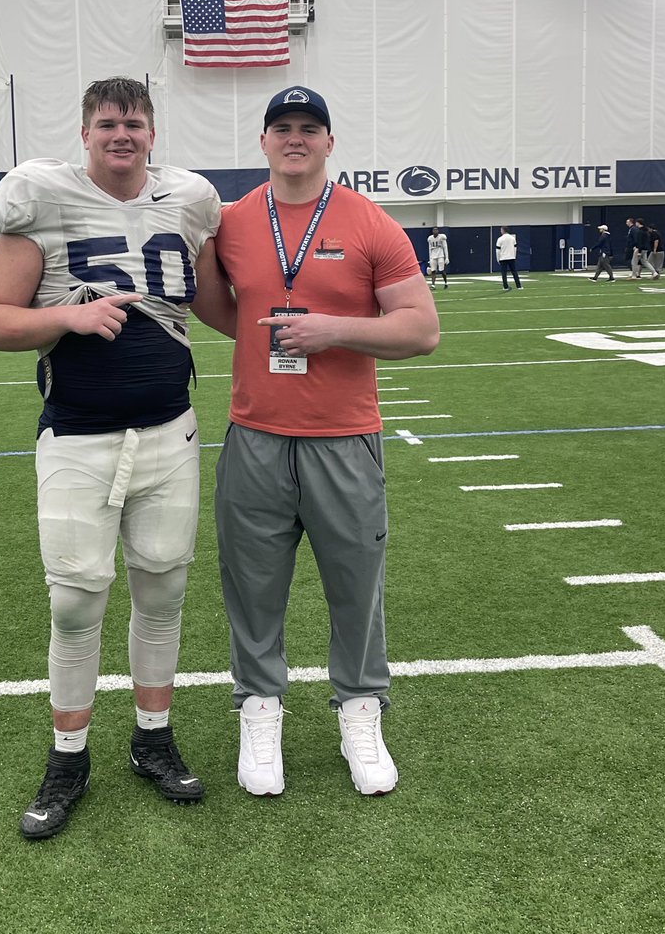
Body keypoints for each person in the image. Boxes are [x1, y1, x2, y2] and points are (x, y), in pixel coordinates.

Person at [0, 76, 227, 840]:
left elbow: (216, 308)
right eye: (109, 123)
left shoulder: (187, 201)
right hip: (78, 435)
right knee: (75, 600)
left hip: (169, 432)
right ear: (84, 133)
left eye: (135, 122)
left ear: (153, 133)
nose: (123, 133)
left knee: (162, 590)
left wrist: (303, 319)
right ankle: (68, 755)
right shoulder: (41, 201)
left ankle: (151, 739)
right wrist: (68, 316)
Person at [207, 86, 439, 798]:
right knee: (252, 588)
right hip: (254, 434)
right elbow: (221, 306)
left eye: (309, 128)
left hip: (344, 437)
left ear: (330, 142)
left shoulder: (370, 222)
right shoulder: (233, 221)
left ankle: (360, 712)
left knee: (354, 587)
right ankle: (260, 708)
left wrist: (331, 329)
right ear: (264, 141)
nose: (295, 138)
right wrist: (269, 347)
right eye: (282, 127)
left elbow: (420, 330)